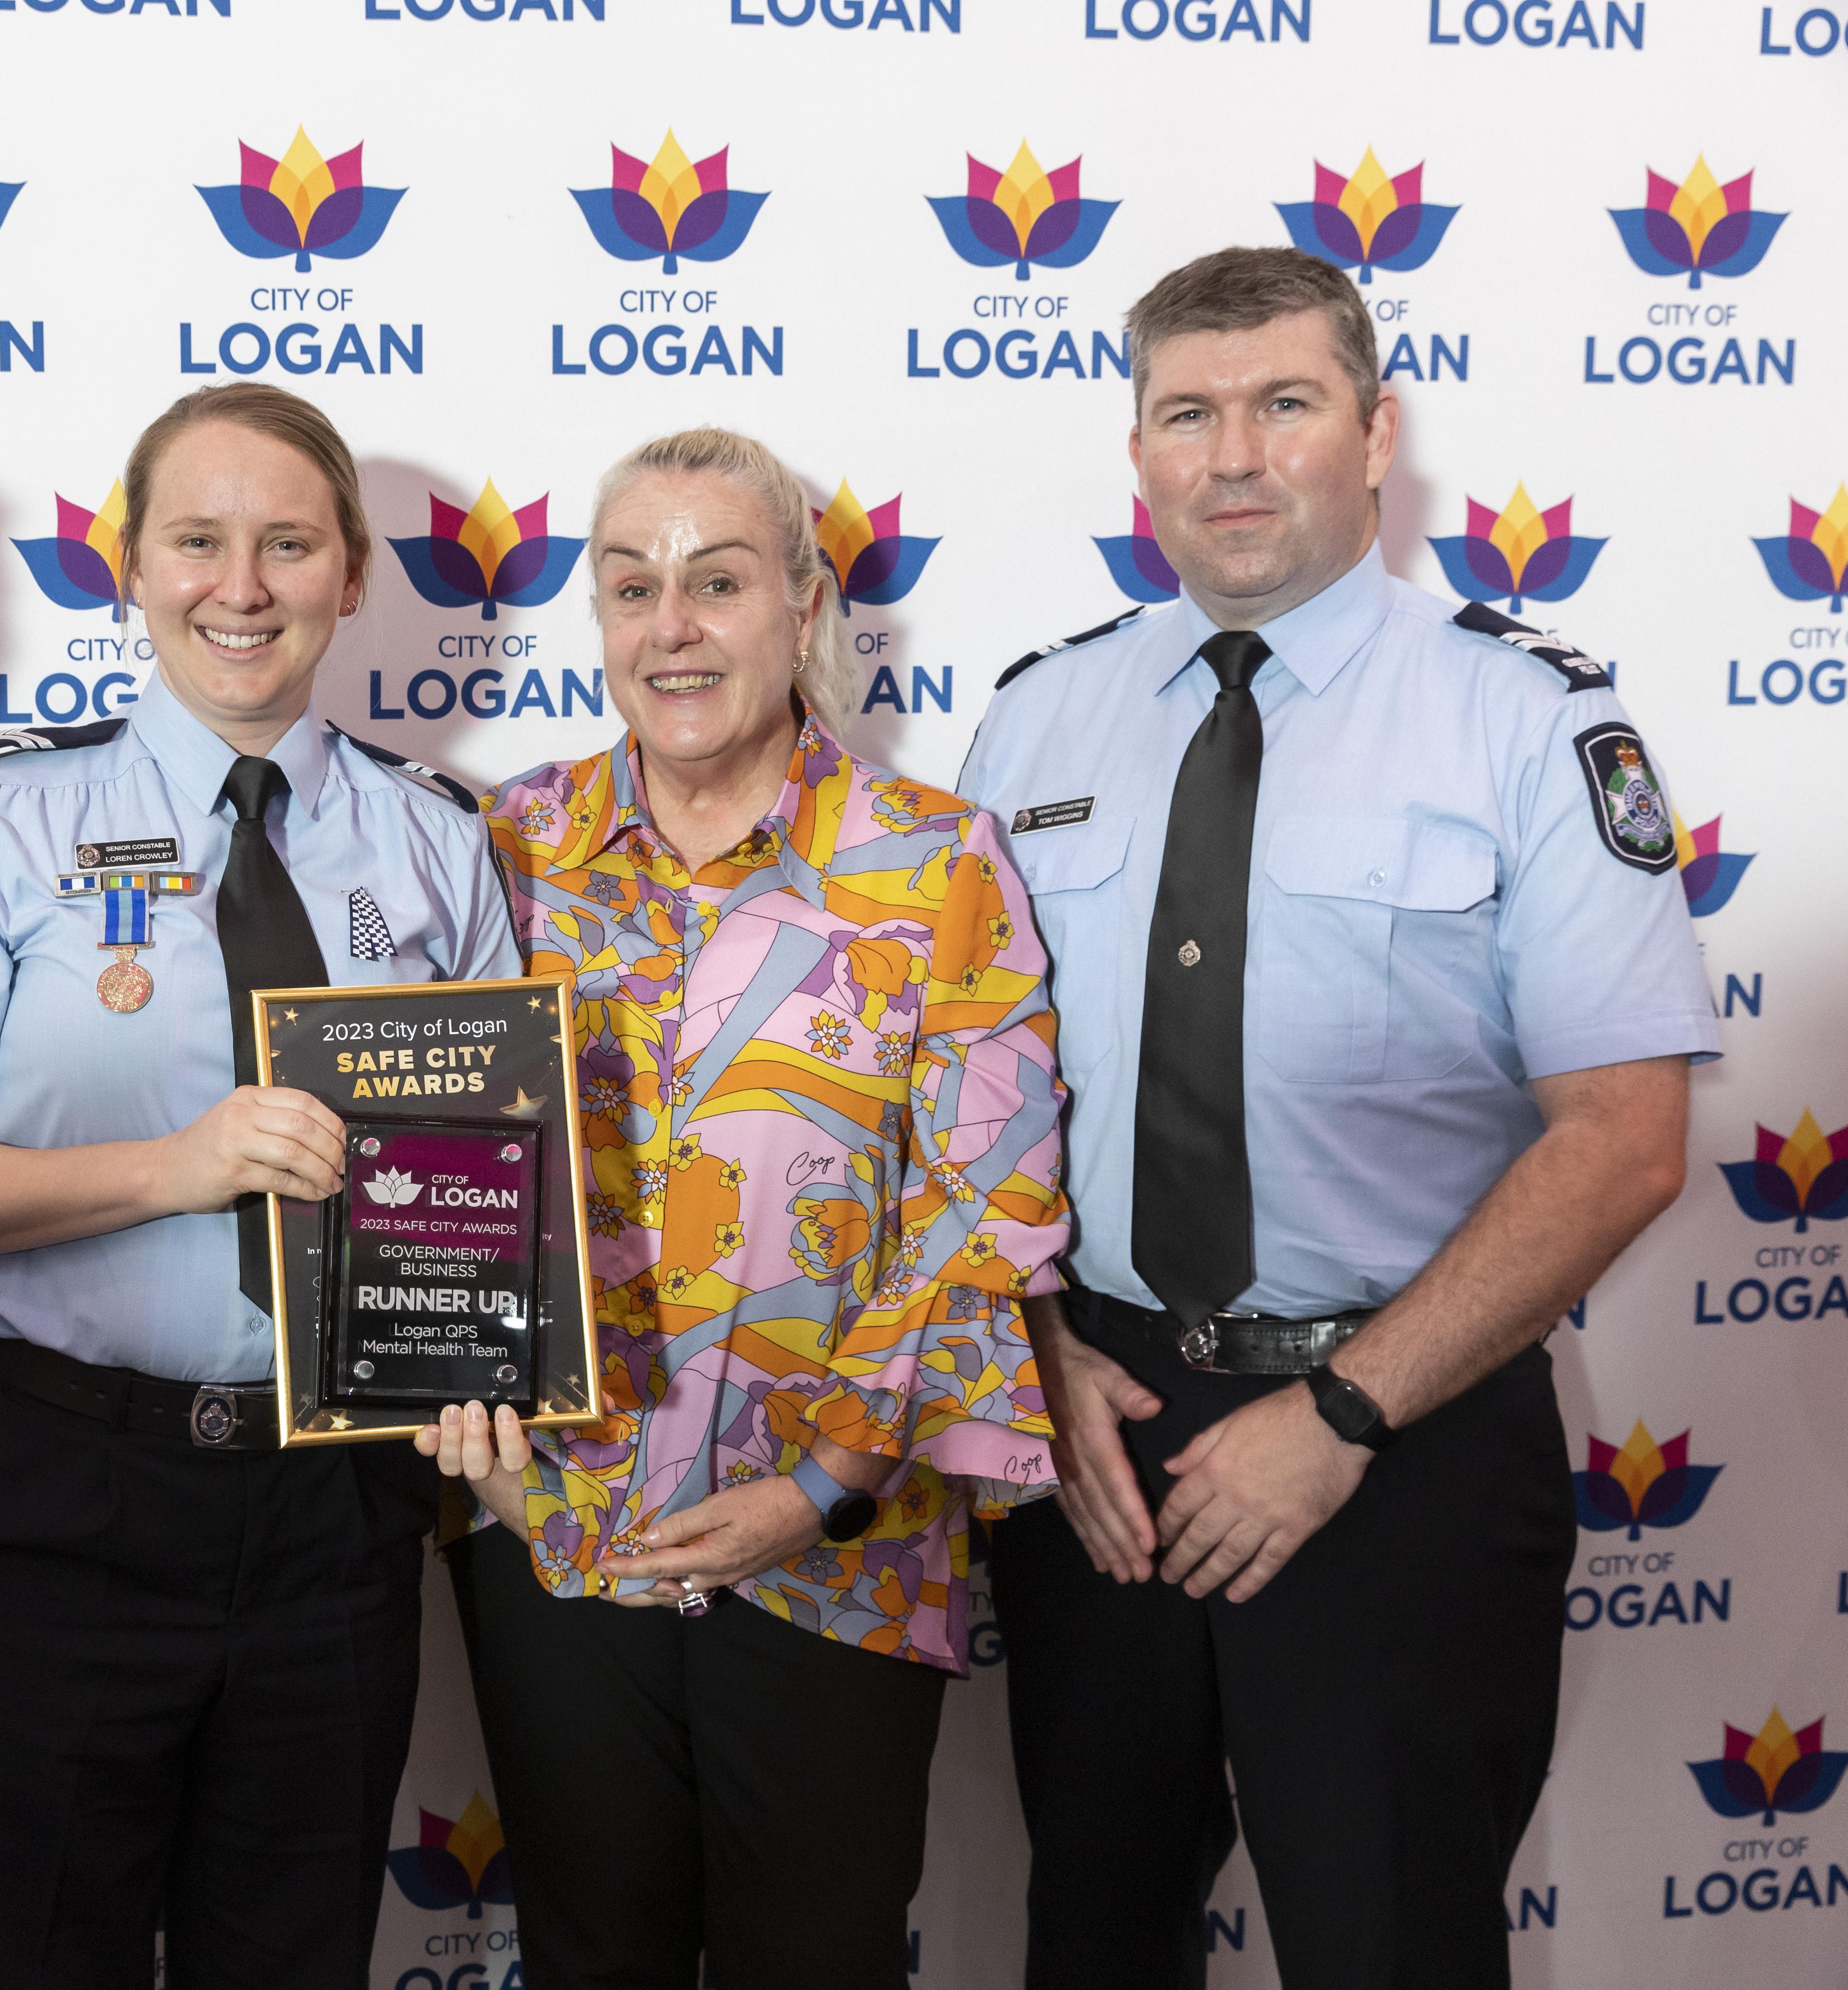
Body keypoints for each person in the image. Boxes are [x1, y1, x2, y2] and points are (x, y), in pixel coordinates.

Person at [956, 246, 1713, 1990]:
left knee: (1393, 1950)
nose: (1235, 456)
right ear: (1135, 452)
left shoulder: (1528, 715)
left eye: (1284, 406)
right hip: (1103, 1443)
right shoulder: (1034, 716)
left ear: (1374, 435)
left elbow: (1623, 1138)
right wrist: (1041, 1354)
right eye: (1189, 414)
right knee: (1094, 1939)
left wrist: (1345, 1409)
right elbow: (966, 1097)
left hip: (1406, 1441)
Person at [0, 382, 521, 1990]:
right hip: (67, 1487)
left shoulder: (439, 846)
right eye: (198, 541)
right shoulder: (6, 813)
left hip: (334, 1508)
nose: (244, 585)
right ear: (125, 566)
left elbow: (482, 1200)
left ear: (352, 573)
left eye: (289, 543)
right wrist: (175, 1168)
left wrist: (482, 1372)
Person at [428, 426, 1071, 1990]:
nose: (673, 627)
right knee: (592, 1954)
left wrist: (830, 1482)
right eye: (631, 586)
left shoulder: (936, 865)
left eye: (718, 581)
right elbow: (426, 1167)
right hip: (557, 1526)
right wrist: (450, 1399)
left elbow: (986, 1203)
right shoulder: (499, 850)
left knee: (822, 1958)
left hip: (843, 1541)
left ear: (804, 604)